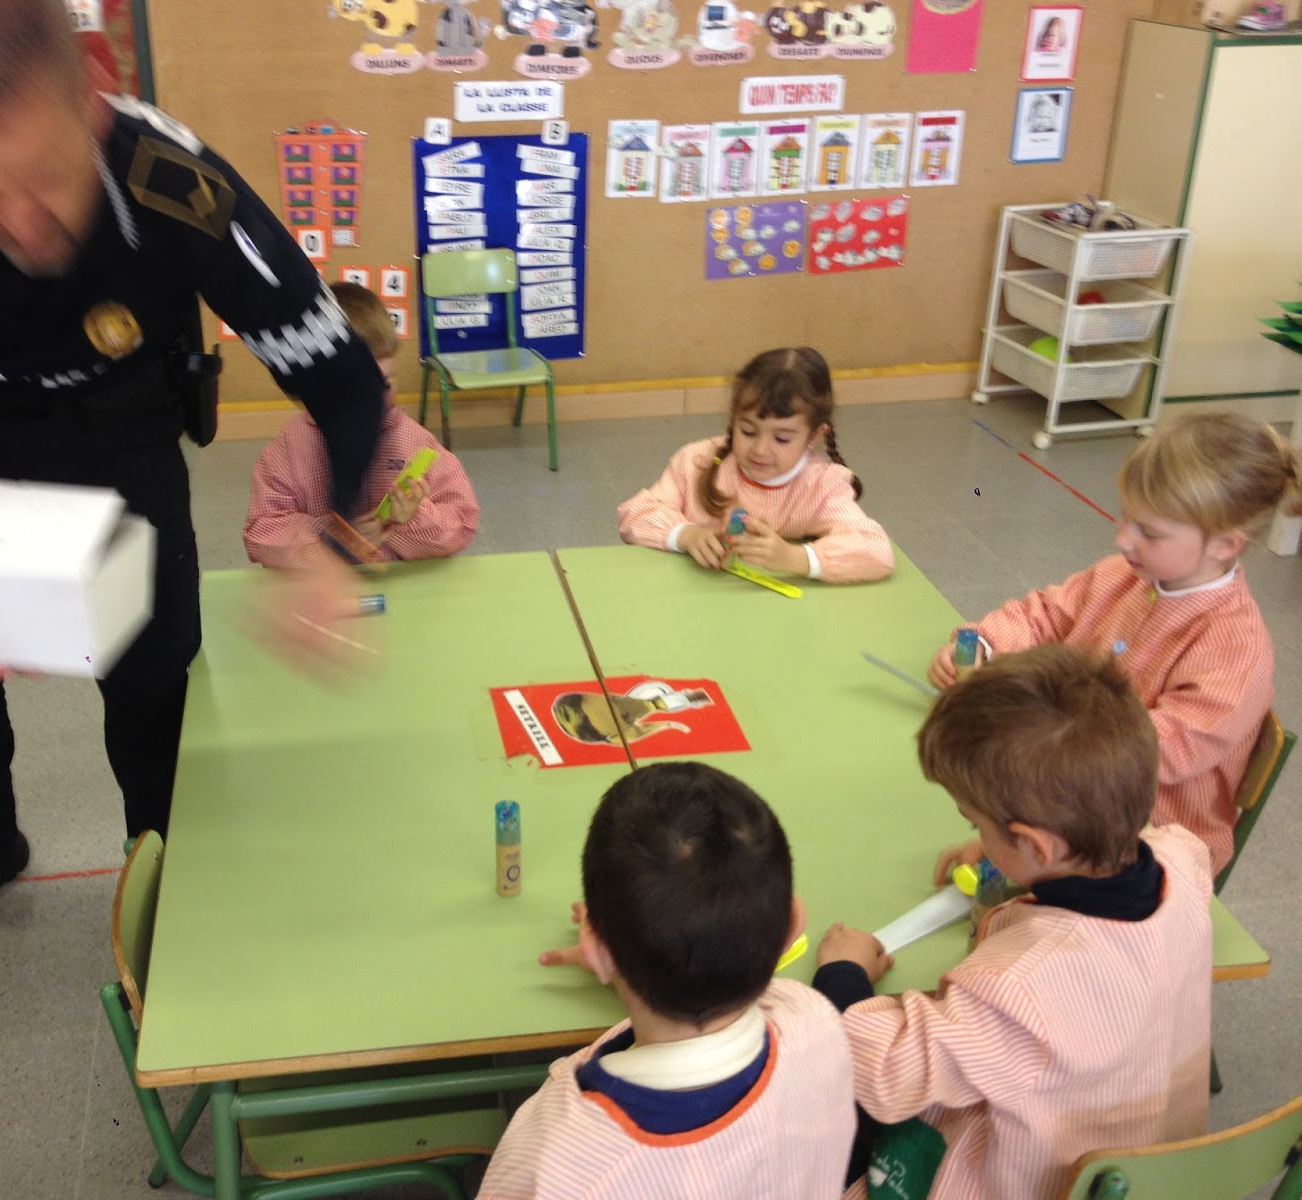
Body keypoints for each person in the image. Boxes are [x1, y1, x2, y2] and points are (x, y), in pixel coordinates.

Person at [0, 0, 386, 959]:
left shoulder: (176, 184)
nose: (19, 224)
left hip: (119, 434)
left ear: (95, 90)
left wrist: (330, 542)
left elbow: (342, 378)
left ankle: (166, 862)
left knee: (152, 673)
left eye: (43, 176)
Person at [815, 645, 1214, 1200]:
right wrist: (1010, 851)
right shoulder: (1184, 862)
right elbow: (1162, 844)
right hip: (1156, 1159)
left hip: (1033, 1181)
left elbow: (883, 1072)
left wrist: (842, 977)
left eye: (975, 823)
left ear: (1035, 844)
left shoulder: (1016, 990)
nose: (975, 834)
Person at [926, 414, 1299, 876]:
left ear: (1225, 544)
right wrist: (985, 644)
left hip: (1150, 845)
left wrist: (1033, 756)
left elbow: (1145, 754)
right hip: (1066, 794)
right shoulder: (1122, 576)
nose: (1122, 538)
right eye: (1126, 517)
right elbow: (1045, 613)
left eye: (1150, 532)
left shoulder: (1234, 649)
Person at [477, 762, 856, 1199]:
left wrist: (626, 953)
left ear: (596, 950)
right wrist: (628, 952)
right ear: (793, 926)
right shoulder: (817, 1022)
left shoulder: (553, 1166)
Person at [243, 282, 479, 567]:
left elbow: (461, 526)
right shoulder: (289, 450)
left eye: (386, 381)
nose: (375, 397)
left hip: (402, 585)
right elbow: (261, 534)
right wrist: (331, 539)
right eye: (359, 386)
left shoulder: (416, 443)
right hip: (319, 587)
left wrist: (413, 518)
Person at [616, 346, 893, 583]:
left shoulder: (821, 486)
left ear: (814, 436)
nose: (760, 450)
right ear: (733, 419)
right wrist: (685, 535)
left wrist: (795, 558)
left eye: (782, 438)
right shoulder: (697, 461)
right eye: (748, 431)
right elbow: (634, 514)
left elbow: (877, 550)